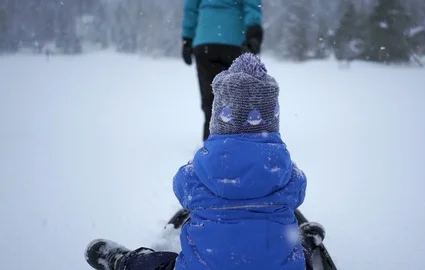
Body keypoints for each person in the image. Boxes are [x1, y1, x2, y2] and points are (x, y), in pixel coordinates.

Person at [84, 54, 324, 270]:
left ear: (218, 121)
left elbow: (182, 189)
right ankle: (306, 242)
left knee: (159, 265)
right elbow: (298, 191)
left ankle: (122, 262)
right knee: (292, 255)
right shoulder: (287, 172)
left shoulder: (196, 172)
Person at [181, 0, 264, 141]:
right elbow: (252, 5)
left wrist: (187, 39)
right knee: (237, 98)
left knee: (210, 98)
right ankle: (235, 142)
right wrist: (254, 34)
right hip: (234, 42)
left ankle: (210, 143)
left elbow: (191, 9)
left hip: (205, 41)